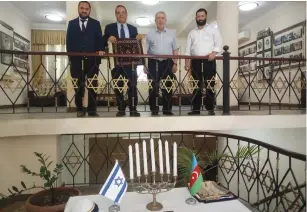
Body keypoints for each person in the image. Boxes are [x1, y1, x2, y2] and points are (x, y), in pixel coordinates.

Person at [66, 1, 104, 117]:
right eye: (82, 8)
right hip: (76, 61)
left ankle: (92, 110)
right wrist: (71, 58)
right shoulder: (71, 24)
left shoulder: (96, 23)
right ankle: (80, 109)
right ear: (78, 9)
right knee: (78, 86)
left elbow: (100, 41)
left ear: (89, 10)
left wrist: (101, 50)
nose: (84, 10)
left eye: (86, 9)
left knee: (92, 86)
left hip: (92, 61)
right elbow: (69, 42)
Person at [103, 5, 142, 117]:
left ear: (126, 14)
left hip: (132, 64)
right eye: (118, 12)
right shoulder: (109, 27)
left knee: (133, 86)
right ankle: (121, 108)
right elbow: (103, 41)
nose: (121, 14)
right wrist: (107, 38)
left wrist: (139, 37)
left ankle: (133, 108)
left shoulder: (133, 29)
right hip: (116, 63)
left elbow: (137, 45)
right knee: (118, 86)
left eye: (123, 12)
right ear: (115, 14)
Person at [184, 8, 222, 116]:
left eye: (202, 16)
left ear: (206, 17)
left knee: (210, 84)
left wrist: (214, 53)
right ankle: (196, 109)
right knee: (196, 85)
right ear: (196, 18)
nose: (200, 18)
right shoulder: (191, 33)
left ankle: (210, 108)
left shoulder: (213, 29)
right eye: (198, 16)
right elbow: (188, 49)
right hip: (195, 62)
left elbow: (219, 42)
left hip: (209, 61)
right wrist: (187, 62)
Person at [145, 11, 178, 116]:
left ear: (165, 20)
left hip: (168, 62)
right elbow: (145, 51)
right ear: (155, 21)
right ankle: (154, 109)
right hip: (153, 62)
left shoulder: (172, 33)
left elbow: (175, 50)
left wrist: (175, 63)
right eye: (158, 18)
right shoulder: (149, 34)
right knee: (153, 86)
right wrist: (145, 65)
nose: (160, 20)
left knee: (167, 86)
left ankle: (167, 109)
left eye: (162, 18)